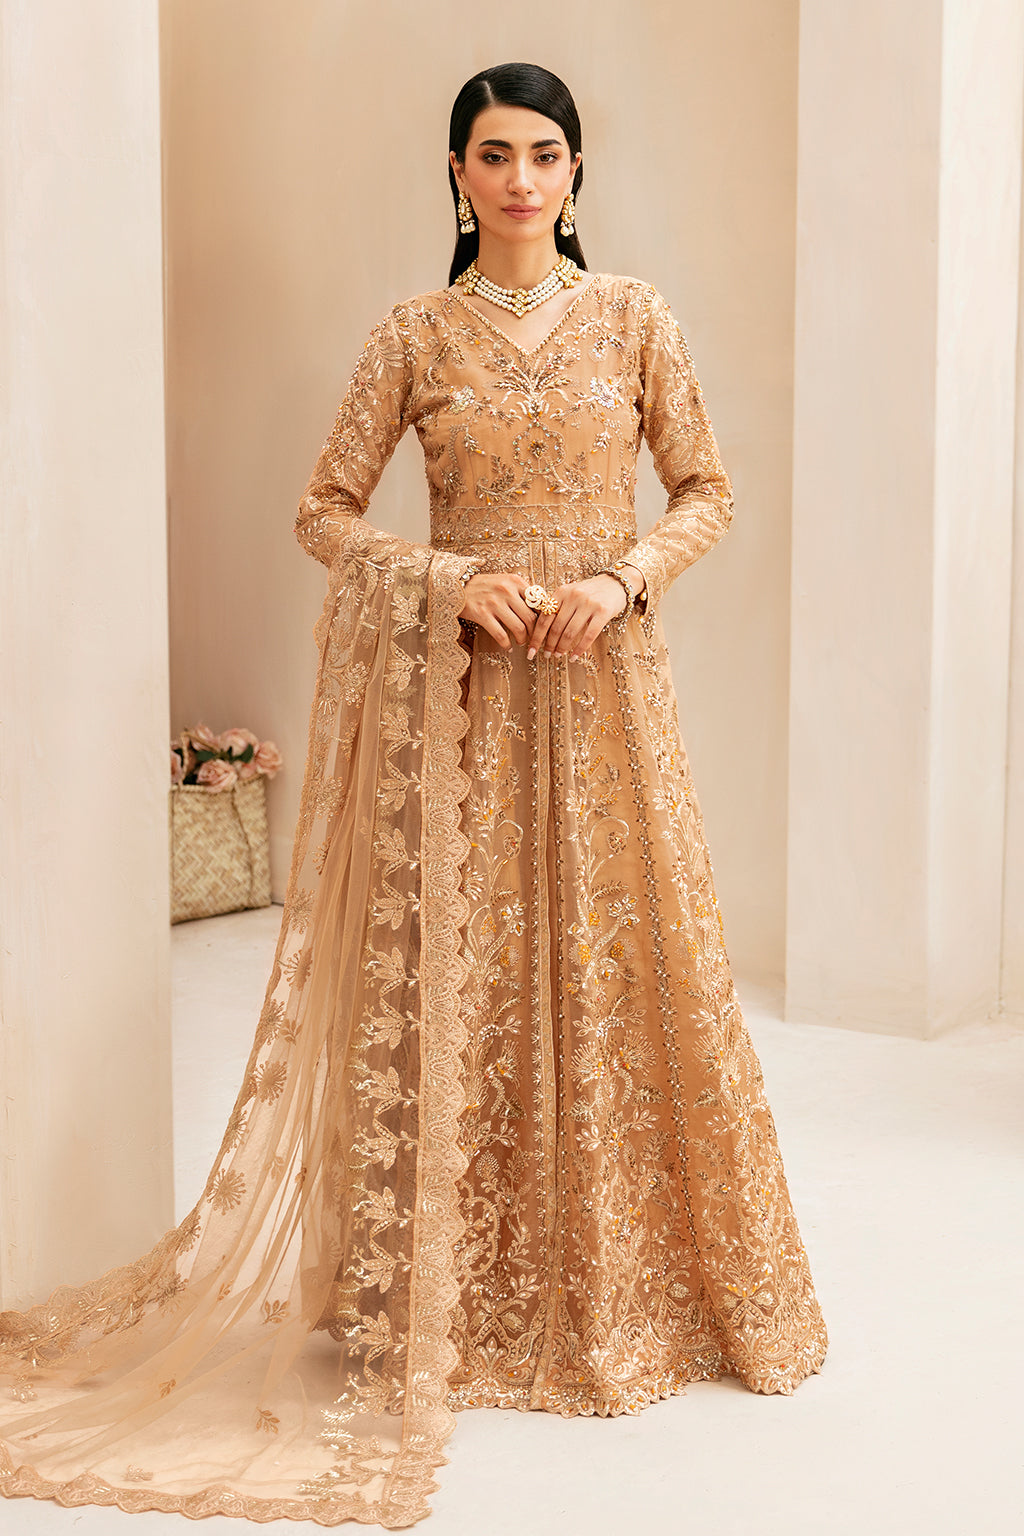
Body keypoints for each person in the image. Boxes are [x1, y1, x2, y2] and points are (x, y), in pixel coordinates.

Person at [0, 60, 827, 1528]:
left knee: (622, 963)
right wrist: (450, 579)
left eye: (545, 154)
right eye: (493, 155)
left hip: (608, 692)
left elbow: (707, 489)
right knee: (465, 969)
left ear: (578, 170)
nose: (521, 180)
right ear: (456, 173)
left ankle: (631, 1280)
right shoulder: (414, 334)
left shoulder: (636, 318)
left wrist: (621, 578)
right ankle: (450, 1285)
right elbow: (322, 510)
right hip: (468, 702)